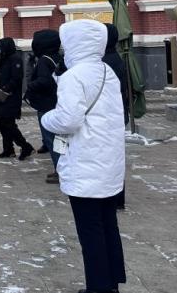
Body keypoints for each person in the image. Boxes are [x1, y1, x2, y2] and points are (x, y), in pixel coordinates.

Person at [41, 19, 126, 293]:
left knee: (90, 230)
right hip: (108, 162)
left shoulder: (74, 76)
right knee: (108, 225)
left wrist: (46, 118)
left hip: (85, 163)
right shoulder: (106, 70)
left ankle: (98, 287)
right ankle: (111, 283)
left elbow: (68, 120)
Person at [24, 29, 63, 184]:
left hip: (46, 105)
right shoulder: (59, 57)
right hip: (58, 102)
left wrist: (31, 86)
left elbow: (45, 81)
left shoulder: (43, 60)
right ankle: (63, 169)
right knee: (60, 139)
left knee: (50, 140)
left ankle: (60, 171)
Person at [103, 23, 130, 211]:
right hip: (116, 114)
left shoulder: (107, 62)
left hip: (110, 115)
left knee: (110, 159)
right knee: (114, 157)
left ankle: (115, 197)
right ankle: (117, 197)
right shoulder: (114, 57)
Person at [0, 37, 35, 161]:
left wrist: (6, 88)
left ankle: (26, 147)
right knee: (2, 124)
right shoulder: (4, 59)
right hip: (2, 97)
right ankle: (8, 149)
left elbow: (16, 78)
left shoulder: (15, 59)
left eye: (1, 47)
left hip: (10, 97)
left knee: (9, 125)